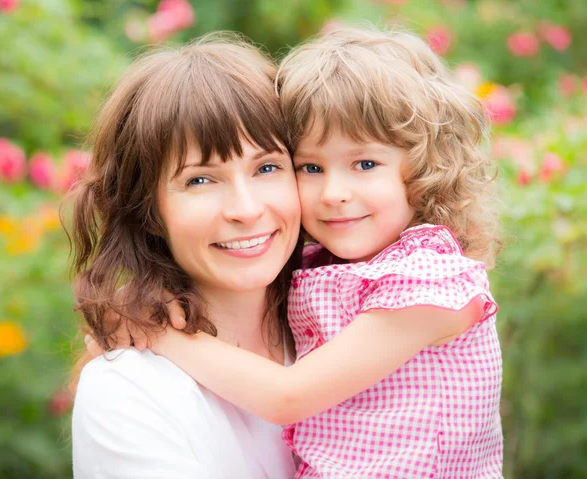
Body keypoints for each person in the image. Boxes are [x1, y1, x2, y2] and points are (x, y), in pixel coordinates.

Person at [143, 27, 504, 478]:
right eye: (310, 167)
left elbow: (287, 397)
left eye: (365, 164)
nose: (334, 193)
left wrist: (154, 334)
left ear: (426, 166)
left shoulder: (431, 284)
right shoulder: (320, 266)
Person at [69, 33, 303, 479]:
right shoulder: (127, 391)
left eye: (267, 167)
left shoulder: (347, 327)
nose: (246, 209)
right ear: (149, 210)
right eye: (200, 180)